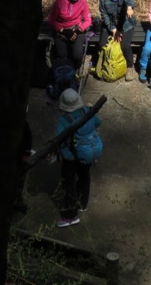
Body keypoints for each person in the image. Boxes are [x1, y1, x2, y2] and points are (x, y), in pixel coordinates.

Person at [55, 88, 102, 228]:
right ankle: (82, 204)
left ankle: (70, 216)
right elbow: (98, 122)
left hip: (70, 157)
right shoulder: (87, 112)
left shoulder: (63, 120)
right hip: (86, 153)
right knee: (84, 177)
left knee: (69, 184)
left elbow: (58, 139)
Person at [98, 0, 138, 81]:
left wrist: (129, 7)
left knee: (125, 45)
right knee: (102, 44)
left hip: (126, 24)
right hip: (111, 24)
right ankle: (106, 63)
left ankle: (130, 67)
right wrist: (113, 29)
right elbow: (104, 14)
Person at [46, 0, 92, 69]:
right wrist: (62, 30)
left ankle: (77, 70)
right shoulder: (59, 1)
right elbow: (51, 19)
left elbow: (88, 20)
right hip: (61, 31)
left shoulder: (83, 2)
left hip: (76, 30)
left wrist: (78, 31)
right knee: (62, 56)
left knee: (77, 55)